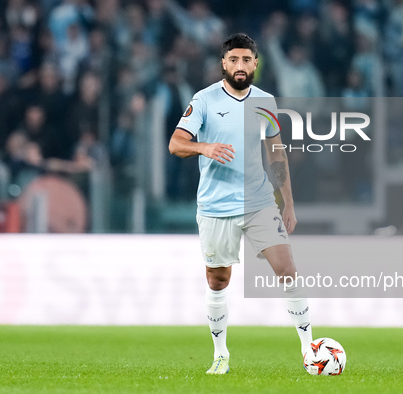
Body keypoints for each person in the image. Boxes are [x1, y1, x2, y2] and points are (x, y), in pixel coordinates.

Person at [169, 33, 312, 375]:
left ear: (255, 64)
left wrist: (288, 202)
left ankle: (310, 350)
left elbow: (275, 151)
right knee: (218, 280)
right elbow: (176, 143)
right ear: (224, 63)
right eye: (233, 60)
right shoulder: (203, 100)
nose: (240, 66)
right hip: (216, 205)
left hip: (259, 201)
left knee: (288, 271)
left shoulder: (265, 101)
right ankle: (220, 354)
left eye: (246, 60)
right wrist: (205, 147)